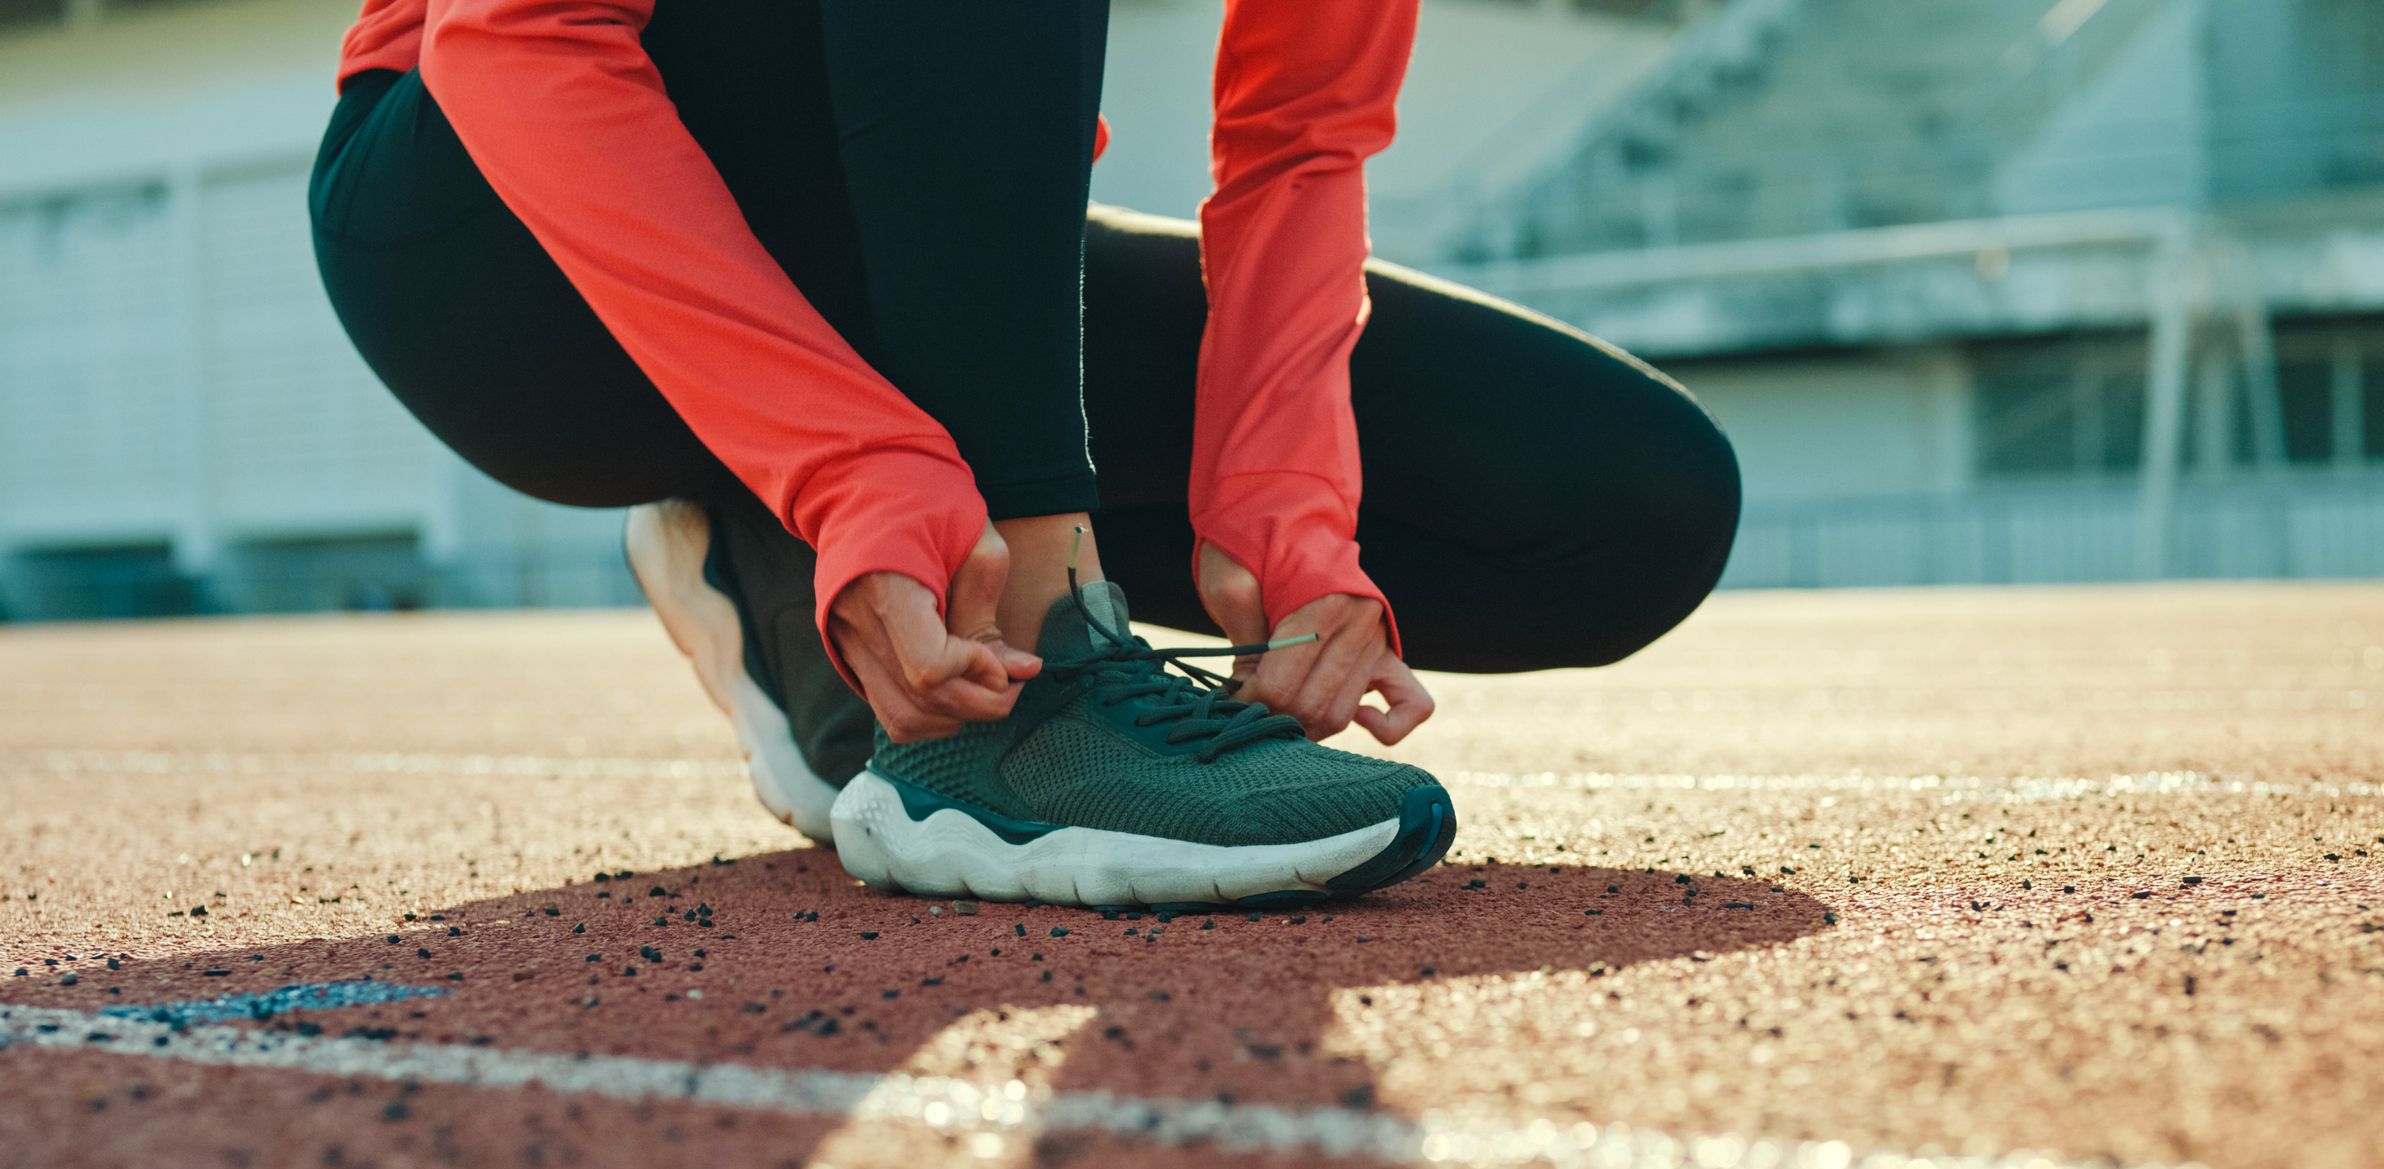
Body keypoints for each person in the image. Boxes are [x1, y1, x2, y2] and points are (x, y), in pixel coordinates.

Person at [309, 0, 1740, 909]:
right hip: (497, 256)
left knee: (1629, 503)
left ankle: (778, 567)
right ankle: (1030, 666)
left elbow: (1301, 144)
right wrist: (851, 468)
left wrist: (1285, 507)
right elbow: (515, 40)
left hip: (898, 258)